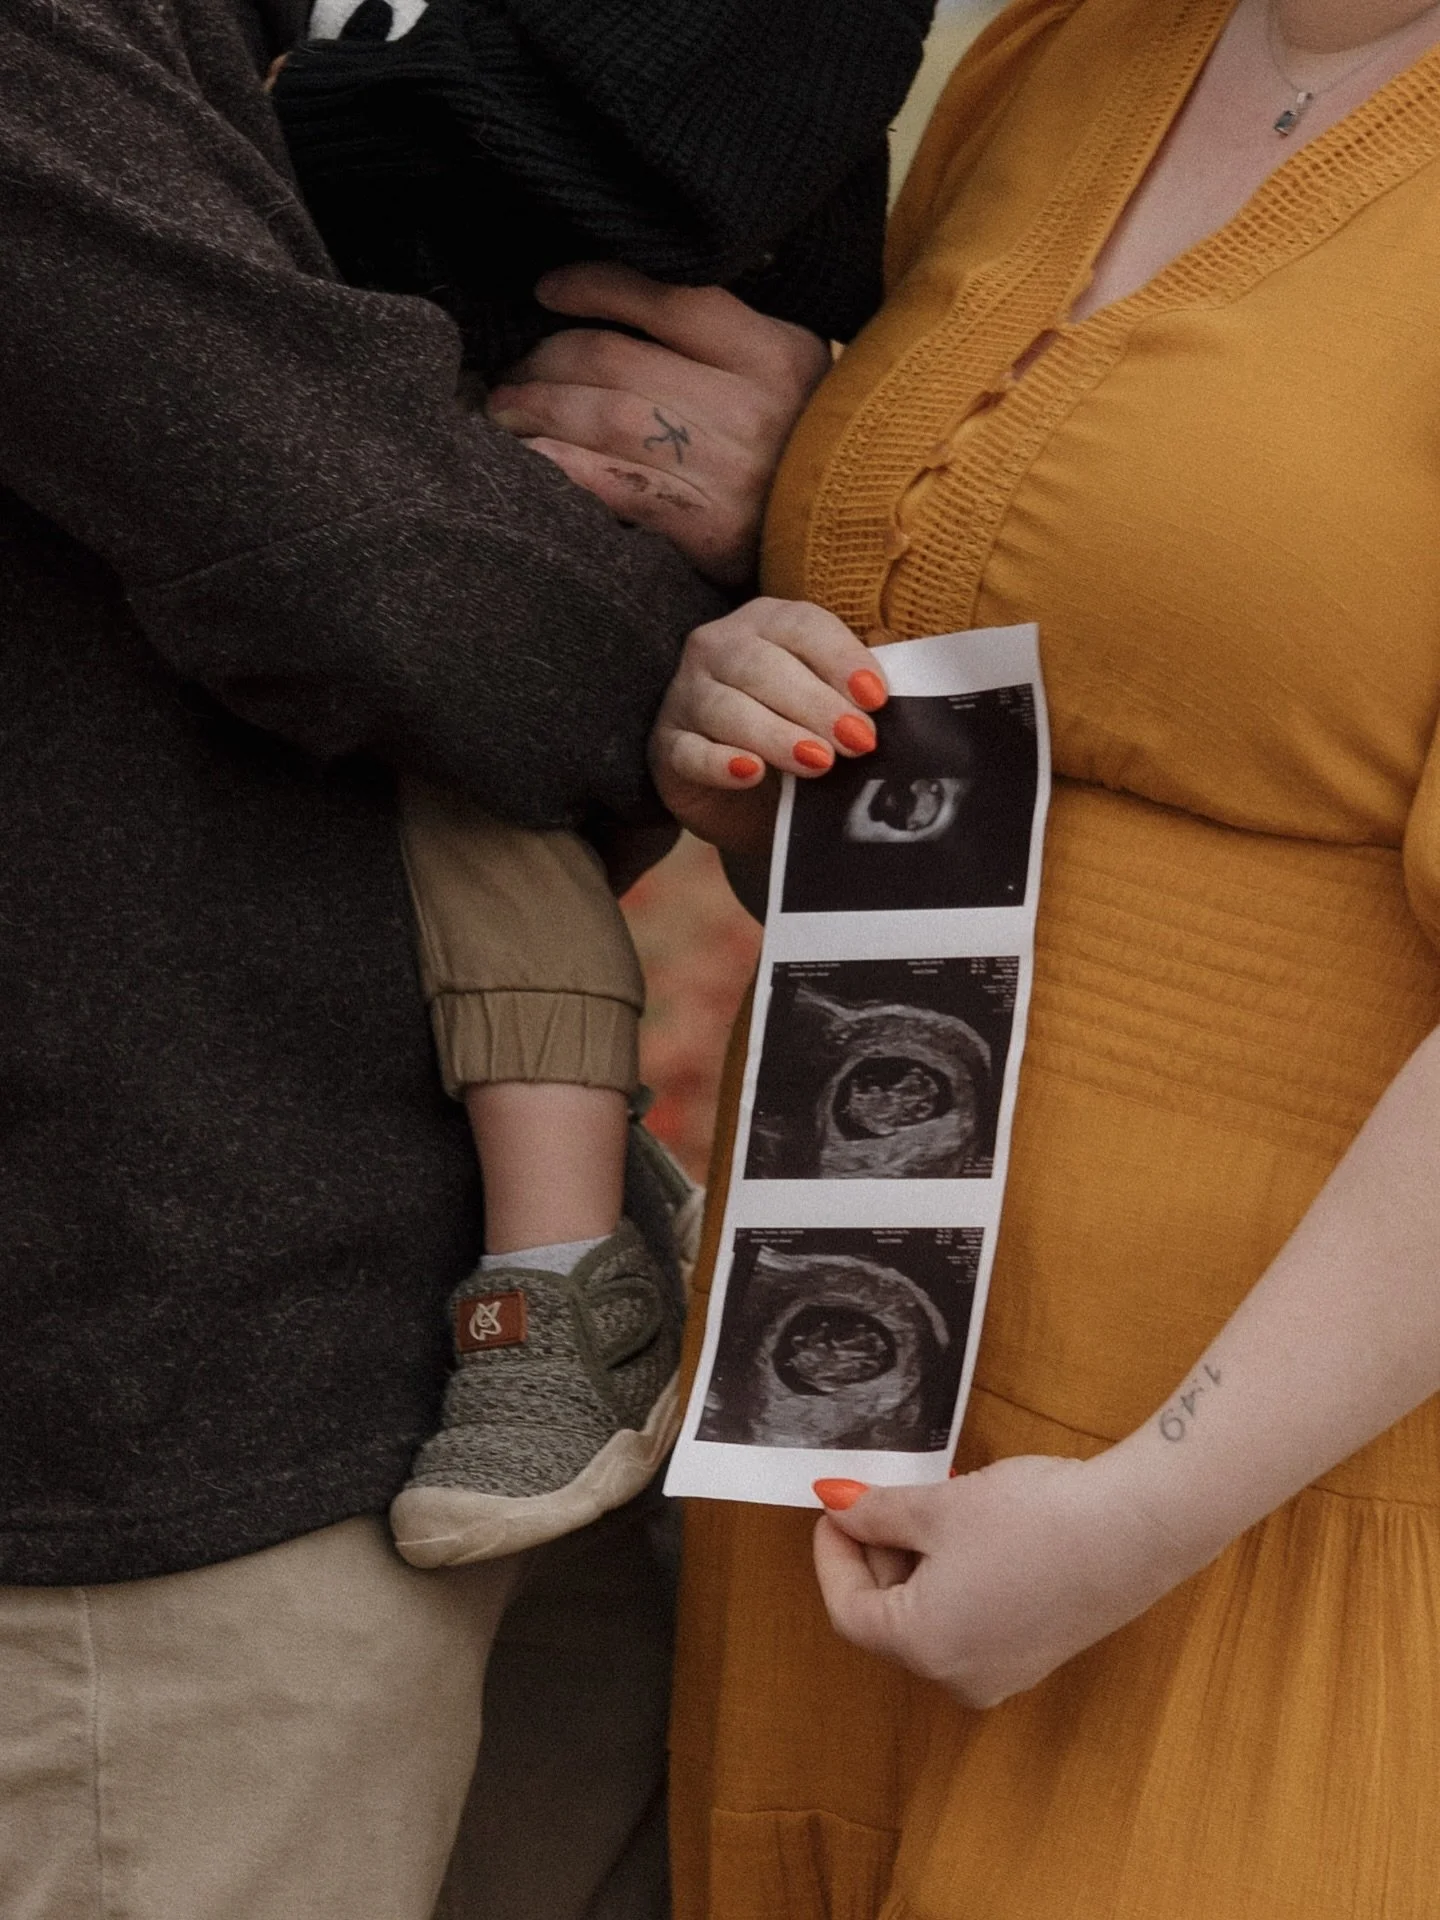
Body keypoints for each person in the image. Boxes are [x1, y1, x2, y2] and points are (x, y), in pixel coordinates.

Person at [493, 0, 1440, 1911]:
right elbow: (1008, 725)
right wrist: (760, 746)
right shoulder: (1065, 52)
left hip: (1262, 1500)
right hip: (861, 1420)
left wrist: (1150, 1505)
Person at [0, 0, 922, 1914]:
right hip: (165, 1417)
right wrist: (691, 619)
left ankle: (567, 1262)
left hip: (365, 1351)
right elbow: (360, 555)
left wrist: (783, 481)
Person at [254, 0, 929, 1560]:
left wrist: (235, 131)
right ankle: (582, 1208)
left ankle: (561, 1270)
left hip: (598, 466)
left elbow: (631, 152)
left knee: (474, 802)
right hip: (465, 429)